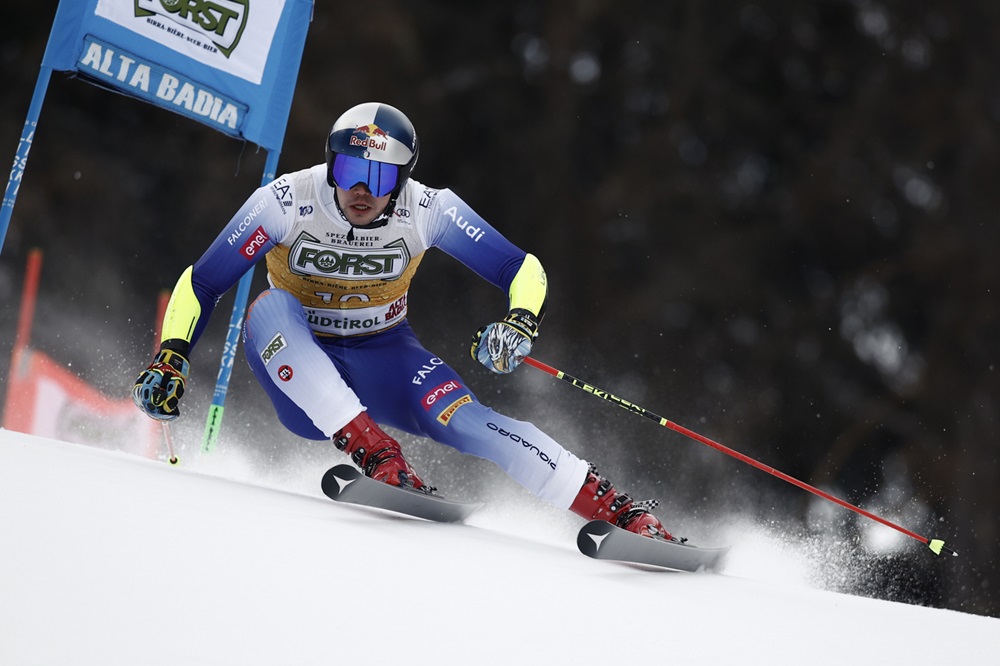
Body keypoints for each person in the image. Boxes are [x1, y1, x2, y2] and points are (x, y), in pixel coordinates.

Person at [132, 102, 676, 540]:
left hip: (387, 357)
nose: (361, 190)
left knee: (469, 421)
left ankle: (617, 510)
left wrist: (519, 319)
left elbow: (520, 266)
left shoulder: (430, 209)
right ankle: (379, 456)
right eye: (348, 170)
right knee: (269, 308)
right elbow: (202, 282)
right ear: (330, 166)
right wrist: (171, 355)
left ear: (403, 177)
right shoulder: (285, 201)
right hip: (300, 369)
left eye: (378, 175)